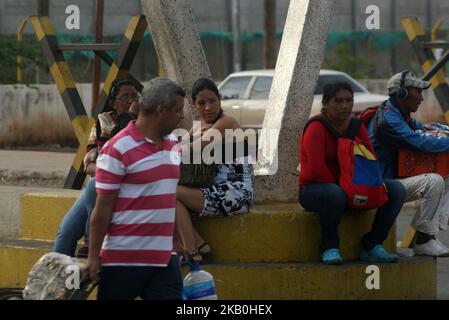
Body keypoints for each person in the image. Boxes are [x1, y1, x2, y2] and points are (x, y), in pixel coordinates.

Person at [86, 78, 185, 300]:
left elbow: (168, 199)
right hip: (123, 260)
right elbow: (101, 210)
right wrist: (93, 257)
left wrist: (176, 241)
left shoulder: (173, 145)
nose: (181, 116)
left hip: (164, 259)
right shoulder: (117, 148)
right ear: (161, 110)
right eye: (177, 111)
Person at [298, 81, 406, 265]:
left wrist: (369, 188)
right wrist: (350, 193)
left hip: (352, 187)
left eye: (349, 100)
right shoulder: (316, 127)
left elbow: (371, 162)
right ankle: (329, 247)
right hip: (315, 189)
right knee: (335, 194)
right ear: (325, 103)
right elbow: (317, 170)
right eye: (338, 101)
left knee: (396, 190)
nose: (345, 106)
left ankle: (373, 244)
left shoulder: (357, 126)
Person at [53, 78, 140, 258]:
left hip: (125, 187)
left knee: (95, 185)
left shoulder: (143, 123)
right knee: (65, 233)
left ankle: (91, 242)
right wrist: (108, 172)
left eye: (134, 96)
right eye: (125, 97)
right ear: (113, 103)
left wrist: (132, 117)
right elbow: (89, 164)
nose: (131, 100)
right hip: (102, 182)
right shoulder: (102, 123)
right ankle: (60, 279)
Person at [366, 70, 449, 257]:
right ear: (402, 94)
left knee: (447, 173)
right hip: (380, 183)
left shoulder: (398, 114)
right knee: (434, 181)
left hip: (393, 179)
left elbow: (426, 129)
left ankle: (434, 229)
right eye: (417, 92)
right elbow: (419, 142)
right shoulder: (389, 121)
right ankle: (425, 239)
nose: (421, 98)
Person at [176, 78, 254, 263]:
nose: (208, 108)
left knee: (168, 191)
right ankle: (199, 245)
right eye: (201, 103)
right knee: (169, 199)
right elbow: (178, 147)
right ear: (194, 106)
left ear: (219, 101)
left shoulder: (227, 122)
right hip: (212, 190)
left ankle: (192, 251)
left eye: (212, 101)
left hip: (236, 193)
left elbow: (187, 149)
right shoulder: (197, 127)